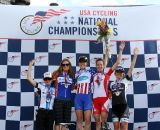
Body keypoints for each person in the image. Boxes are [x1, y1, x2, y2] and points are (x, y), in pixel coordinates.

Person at [92, 42, 125, 130]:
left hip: (104, 99)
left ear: (103, 66)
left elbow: (117, 62)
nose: (99, 66)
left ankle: (105, 126)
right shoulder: (93, 75)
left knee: (103, 119)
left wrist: (121, 50)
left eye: (101, 65)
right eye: (98, 65)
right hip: (95, 100)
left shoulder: (107, 74)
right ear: (96, 66)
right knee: (97, 121)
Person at [109, 48, 139, 130]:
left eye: (121, 73)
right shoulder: (111, 84)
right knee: (116, 127)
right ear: (115, 74)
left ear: (123, 74)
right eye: (117, 72)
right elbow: (108, 95)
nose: (119, 74)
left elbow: (131, 68)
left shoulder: (125, 80)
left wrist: (135, 55)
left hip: (124, 107)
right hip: (115, 107)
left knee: (124, 126)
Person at [27, 59, 55, 130]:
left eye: (49, 79)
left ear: (52, 80)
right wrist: (30, 64)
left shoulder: (56, 89)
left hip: (50, 113)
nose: (47, 80)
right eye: (46, 79)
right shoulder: (40, 86)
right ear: (43, 80)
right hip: (41, 112)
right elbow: (29, 78)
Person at [52, 58, 75, 130]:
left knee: (66, 123)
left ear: (69, 66)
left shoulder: (72, 75)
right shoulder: (56, 74)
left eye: (67, 64)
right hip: (58, 100)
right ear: (61, 65)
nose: (65, 66)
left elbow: (72, 87)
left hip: (68, 101)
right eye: (63, 64)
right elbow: (50, 85)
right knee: (58, 122)